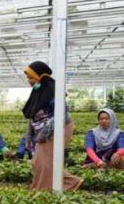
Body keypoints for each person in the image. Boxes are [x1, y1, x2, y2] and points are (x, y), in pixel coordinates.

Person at [22, 61, 83, 191]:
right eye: (28, 77)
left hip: (58, 128)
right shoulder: (38, 92)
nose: (29, 80)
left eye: (31, 77)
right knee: (37, 162)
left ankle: (41, 190)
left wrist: (44, 133)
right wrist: (28, 137)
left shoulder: (53, 91)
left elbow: (61, 115)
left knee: (44, 163)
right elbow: (33, 116)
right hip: (44, 131)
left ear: (40, 76)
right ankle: (72, 182)